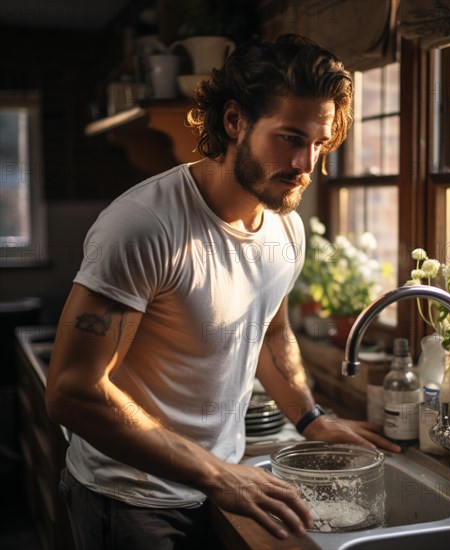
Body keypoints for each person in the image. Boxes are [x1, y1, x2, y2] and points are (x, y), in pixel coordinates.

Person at [45, 34, 401, 549]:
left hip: (216, 485)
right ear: (234, 121)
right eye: (289, 137)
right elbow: (72, 391)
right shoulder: (145, 225)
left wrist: (311, 418)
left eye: (319, 143)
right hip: (129, 502)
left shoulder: (285, 228)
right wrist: (216, 473)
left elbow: (271, 330)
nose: (306, 162)